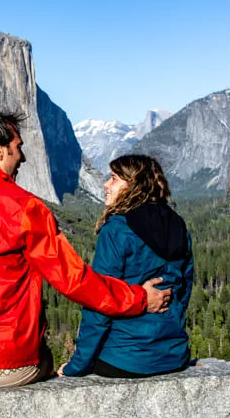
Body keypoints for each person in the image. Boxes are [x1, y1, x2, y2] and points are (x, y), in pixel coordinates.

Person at [0, 111, 171, 388]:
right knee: (49, 363)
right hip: (6, 364)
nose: (22, 158)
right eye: (18, 148)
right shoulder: (24, 207)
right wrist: (139, 298)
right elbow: (74, 281)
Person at [59, 155, 194, 378]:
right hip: (172, 356)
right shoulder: (177, 224)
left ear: (133, 186)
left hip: (124, 359)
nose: (105, 184)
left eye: (113, 179)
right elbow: (183, 291)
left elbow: (99, 299)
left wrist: (78, 365)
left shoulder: (116, 231)